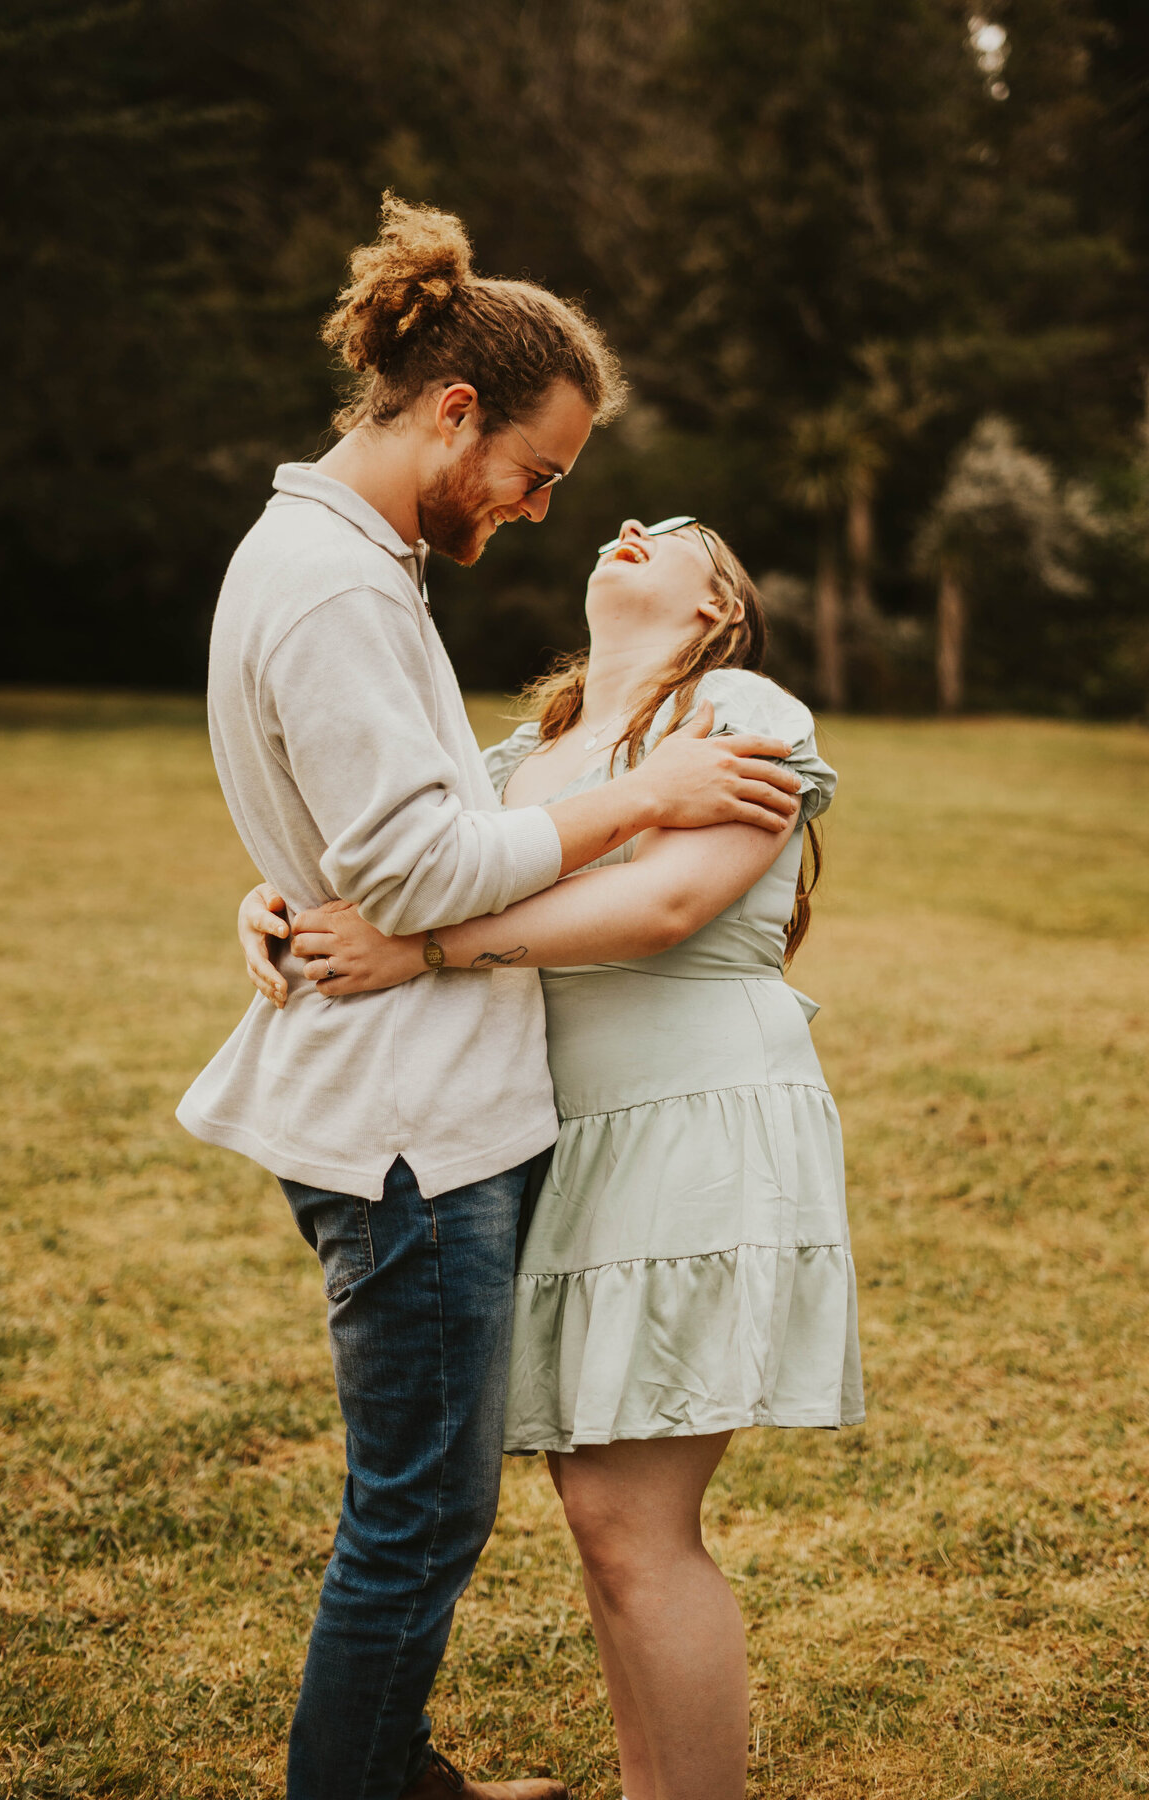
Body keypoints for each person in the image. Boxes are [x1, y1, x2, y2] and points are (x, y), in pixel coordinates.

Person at [177, 190, 806, 1800]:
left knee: (454, 1508)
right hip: (411, 1130)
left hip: (516, 1110)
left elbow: (402, 854)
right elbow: (424, 860)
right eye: (540, 474)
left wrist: (310, 887)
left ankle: (400, 1779)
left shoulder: (336, 564)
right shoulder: (338, 583)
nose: (542, 511)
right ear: (455, 409)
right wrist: (629, 802)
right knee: (422, 1515)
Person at [239, 514, 865, 1800]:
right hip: (563, 1140)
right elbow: (417, 871)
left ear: (714, 610)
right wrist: (280, 903)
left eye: (681, 535)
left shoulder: (739, 701)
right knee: (606, 1524)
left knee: (637, 1526)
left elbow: (668, 902)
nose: (630, 524)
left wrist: (426, 951)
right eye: (628, 518)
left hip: (693, 1115)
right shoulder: (521, 753)